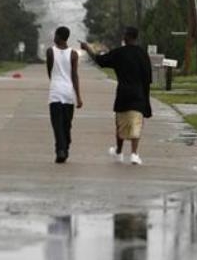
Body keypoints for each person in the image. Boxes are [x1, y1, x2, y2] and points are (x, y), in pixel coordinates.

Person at [80, 26, 152, 165]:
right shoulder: (142, 54)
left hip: (123, 93)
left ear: (127, 37)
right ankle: (134, 154)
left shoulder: (119, 53)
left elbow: (100, 60)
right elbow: (147, 78)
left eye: (124, 34)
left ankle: (119, 151)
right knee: (136, 123)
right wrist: (146, 100)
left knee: (120, 122)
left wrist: (87, 48)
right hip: (138, 93)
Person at [46, 26, 83, 163]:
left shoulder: (52, 52)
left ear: (60, 37)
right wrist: (78, 96)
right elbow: (74, 76)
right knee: (62, 124)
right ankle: (61, 150)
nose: (54, 38)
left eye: (55, 35)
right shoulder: (72, 54)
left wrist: (78, 96)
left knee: (61, 125)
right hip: (66, 93)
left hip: (57, 92)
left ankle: (64, 146)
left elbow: (50, 71)